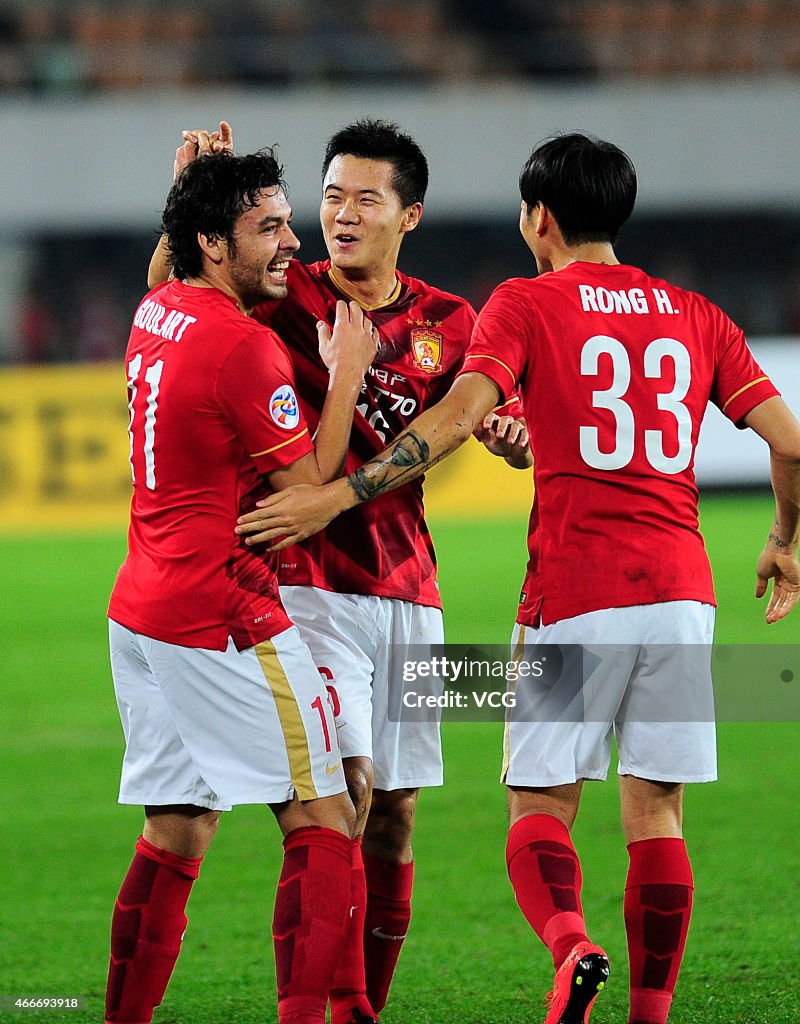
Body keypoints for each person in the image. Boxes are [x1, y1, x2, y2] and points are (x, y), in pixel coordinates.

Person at [235, 132, 800, 1024]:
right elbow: (791, 441)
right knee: (658, 815)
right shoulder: (696, 313)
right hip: (684, 594)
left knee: (538, 803)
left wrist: (343, 489)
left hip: (574, 590)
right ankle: (649, 1015)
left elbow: (460, 413)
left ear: (539, 218)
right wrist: (784, 538)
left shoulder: (521, 302)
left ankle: (571, 943)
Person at [149, 117, 530, 1024]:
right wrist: (185, 215)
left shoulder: (450, 322)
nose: (340, 215)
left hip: (408, 589)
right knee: (343, 794)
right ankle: (328, 1006)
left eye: (365, 197)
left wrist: (511, 439)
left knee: (396, 815)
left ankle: (366, 1005)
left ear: (411, 214)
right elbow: (172, 297)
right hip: (306, 583)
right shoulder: (283, 290)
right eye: (330, 196)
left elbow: (497, 423)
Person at [106, 148, 378, 1024]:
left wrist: (184, 194)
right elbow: (307, 495)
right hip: (220, 614)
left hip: (140, 610)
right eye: (268, 227)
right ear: (214, 245)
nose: (292, 241)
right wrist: (344, 379)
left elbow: (165, 264)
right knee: (326, 818)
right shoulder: (242, 348)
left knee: (176, 832)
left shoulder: (161, 308)